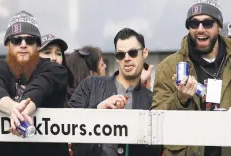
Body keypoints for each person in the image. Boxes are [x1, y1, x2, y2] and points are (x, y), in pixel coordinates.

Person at [151, 0, 231, 156]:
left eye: (208, 23)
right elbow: (156, 120)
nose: (200, 29)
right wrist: (180, 99)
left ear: (219, 26)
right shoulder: (169, 66)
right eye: (194, 23)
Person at [0, 10, 70, 156]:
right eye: (16, 40)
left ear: (37, 46)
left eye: (30, 40)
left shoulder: (56, 69)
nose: (23, 44)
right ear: (8, 45)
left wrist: (21, 112)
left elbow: (41, 86)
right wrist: (12, 108)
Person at [67, 28, 161, 156]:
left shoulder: (152, 99)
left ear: (144, 53)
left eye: (132, 53)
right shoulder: (91, 84)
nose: (126, 58)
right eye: (121, 54)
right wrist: (97, 110)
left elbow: (157, 147)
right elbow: (66, 122)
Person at [38, 34, 75, 101]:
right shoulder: (22, 89)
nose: (54, 58)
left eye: (58, 53)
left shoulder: (73, 94)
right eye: (47, 52)